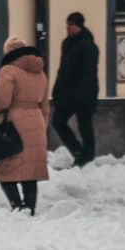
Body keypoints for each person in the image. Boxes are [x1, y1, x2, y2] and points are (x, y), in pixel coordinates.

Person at [0, 37, 49, 214]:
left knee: (5, 168)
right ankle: (29, 208)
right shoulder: (40, 72)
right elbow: (45, 105)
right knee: (30, 171)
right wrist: (42, 125)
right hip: (36, 120)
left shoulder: (8, 70)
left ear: (8, 52)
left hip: (14, 123)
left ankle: (17, 206)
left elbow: (3, 100)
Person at [51, 12, 99, 167]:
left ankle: (87, 158)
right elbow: (62, 70)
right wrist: (57, 90)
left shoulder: (89, 46)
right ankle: (78, 151)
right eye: (67, 24)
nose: (67, 27)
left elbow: (89, 73)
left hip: (83, 93)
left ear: (79, 26)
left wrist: (84, 95)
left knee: (85, 126)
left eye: (70, 24)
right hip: (67, 92)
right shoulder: (67, 44)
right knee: (58, 121)